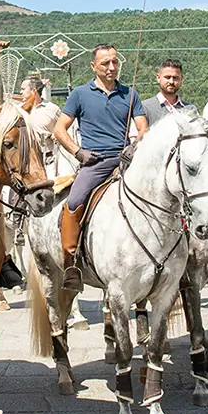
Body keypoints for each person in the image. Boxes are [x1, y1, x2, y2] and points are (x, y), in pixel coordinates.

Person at [54, 44, 148, 292]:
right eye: (105, 63)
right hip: (94, 161)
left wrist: (135, 145)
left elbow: (143, 128)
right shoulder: (80, 95)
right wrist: (78, 152)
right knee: (73, 202)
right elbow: (59, 129)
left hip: (126, 159)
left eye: (115, 62)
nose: (111, 67)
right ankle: (71, 262)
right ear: (93, 66)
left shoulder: (130, 94)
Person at [141, 59, 197, 126]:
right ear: (158, 78)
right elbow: (136, 136)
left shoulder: (191, 110)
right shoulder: (144, 108)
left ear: (181, 79)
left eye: (175, 77)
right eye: (167, 77)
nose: (171, 81)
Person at [20, 75, 61, 163]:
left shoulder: (53, 109)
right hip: (25, 161)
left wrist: (56, 134)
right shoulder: (19, 111)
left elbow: (63, 130)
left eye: (23, 89)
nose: (20, 92)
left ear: (34, 91)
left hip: (48, 160)